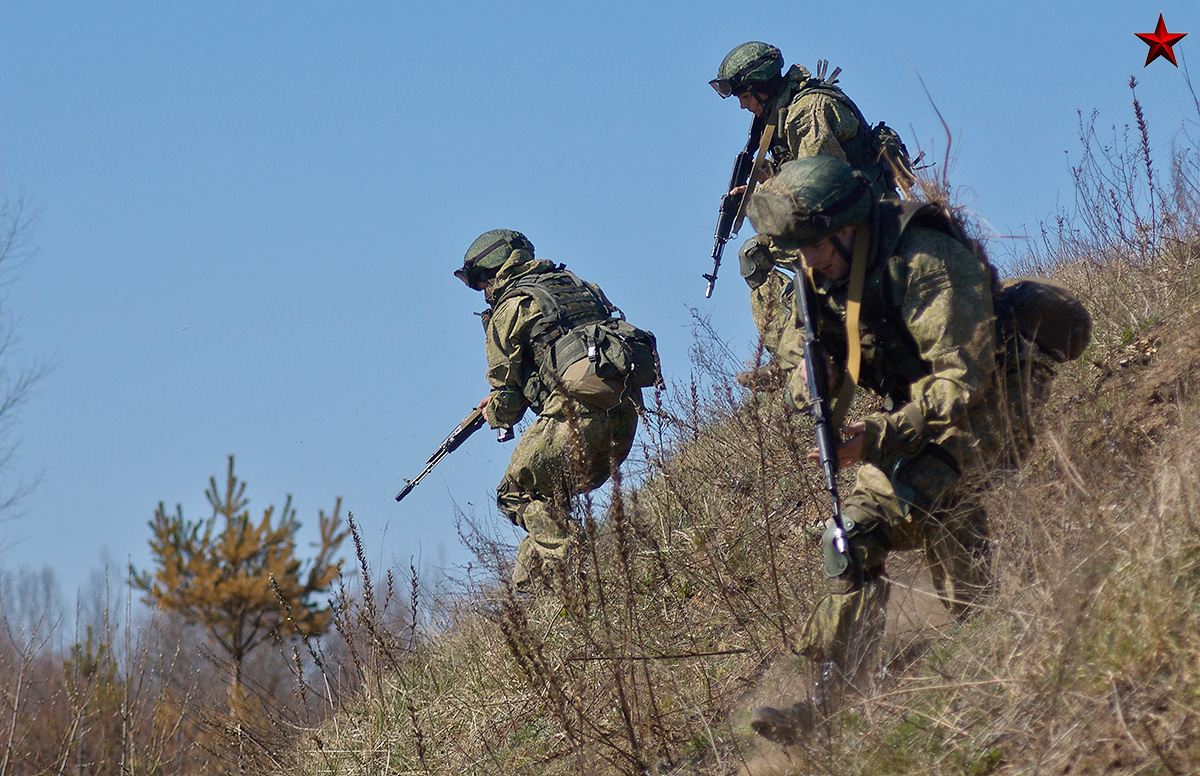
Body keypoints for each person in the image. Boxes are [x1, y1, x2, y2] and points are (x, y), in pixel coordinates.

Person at [741, 156, 1056, 744]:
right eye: (798, 249)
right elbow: (800, 361)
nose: (808, 260)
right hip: (916, 418)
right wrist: (814, 380)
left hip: (991, 404)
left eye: (814, 244)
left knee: (929, 488)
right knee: (848, 535)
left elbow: (964, 379)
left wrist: (878, 439)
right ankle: (829, 700)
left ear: (848, 224)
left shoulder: (924, 259)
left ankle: (993, 636)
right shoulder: (820, 279)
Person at [455, 229, 651, 594]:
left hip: (576, 420)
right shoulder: (577, 284)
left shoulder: (510, 307)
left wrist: (494, 412)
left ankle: (580, 569)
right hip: (624, 419)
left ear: (492, 272)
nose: (483, 292)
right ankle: (533, 597)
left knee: (515, 493)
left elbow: (507, 400)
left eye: (480, 282)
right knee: (546, 501)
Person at [709, 41, 913, 389]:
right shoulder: (785, 110)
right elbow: (801, 172)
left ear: (760, 86)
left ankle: (796, 359)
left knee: (755, 255)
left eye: (744, 95)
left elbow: (818, 190)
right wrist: (759, 186)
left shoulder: (808, 111)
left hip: (858, 221)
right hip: (844, 215)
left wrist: (761, 197)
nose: (742, 104)